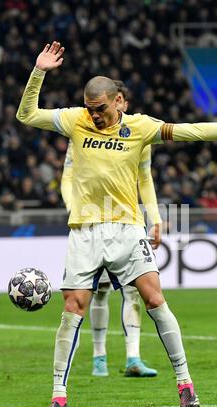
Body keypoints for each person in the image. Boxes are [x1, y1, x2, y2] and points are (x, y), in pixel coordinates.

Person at [16, 42, 217, 407]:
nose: (95, 116)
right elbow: (26, 115)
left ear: (118, 101)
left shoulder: (140, 127)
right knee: (72, 309)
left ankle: (185, 383)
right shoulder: (75, 120)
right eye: (90, 109)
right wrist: (38, 71)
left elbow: (193, 131)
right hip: (84, 231)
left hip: (125, 230)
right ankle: (59, 395)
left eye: (101, 108)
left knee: (154, 299)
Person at [61, 80, 160, 378]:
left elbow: (145, 179)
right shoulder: (81, 134)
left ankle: (133, 358)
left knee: (134, 292)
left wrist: (154, 218)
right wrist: (74, 207)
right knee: (99, 294)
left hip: (124, 224)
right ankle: (99, 356)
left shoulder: (138, 137)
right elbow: (66, 177)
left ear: (122, 103)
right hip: (91, 224)